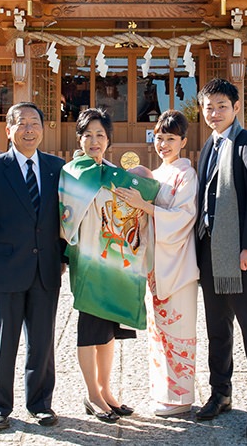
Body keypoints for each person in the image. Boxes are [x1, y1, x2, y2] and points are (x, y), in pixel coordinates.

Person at [0, 102, 65, 431]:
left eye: (34, 122)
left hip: (46, 268)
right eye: (21, 123)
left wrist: (63, 257)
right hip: (5, 269)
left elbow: (64, 218)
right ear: (8, 130)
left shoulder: (57, 167)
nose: (29, 129)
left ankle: (40, 403)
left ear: (43, 128)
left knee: (42, 341)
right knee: (2, 342)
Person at [192, 78, 247, 439]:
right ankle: (220, 393)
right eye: (209, 107)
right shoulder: (209, 146)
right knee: (217, 329)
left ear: (236, 107)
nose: (214, 113)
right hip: (210, 250)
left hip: (241, 254)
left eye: (222, 106)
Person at [60, 108, 150, 423]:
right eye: (88, 135)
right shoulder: (71, 172)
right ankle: (92, 393)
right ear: (79, 139)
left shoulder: (114, 173)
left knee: (108, 331)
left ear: (109, 139)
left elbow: (134, 212)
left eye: (100, 135)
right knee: (89, 330)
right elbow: (64, 221)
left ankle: (107, 390)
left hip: (113, 262)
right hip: (87, 262)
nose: (94, 140)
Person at [112, 109, 199, 417]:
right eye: (160, 138)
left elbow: (184, 219)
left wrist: (145, 206)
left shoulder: (186, 175)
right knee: (158, 331)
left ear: (183, 141)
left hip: (176, 264)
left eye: (171, 139)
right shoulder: (157, 174)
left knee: (178, 328)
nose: (164, 145)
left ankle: (181, 398)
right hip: (154, 263)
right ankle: (162, 391)